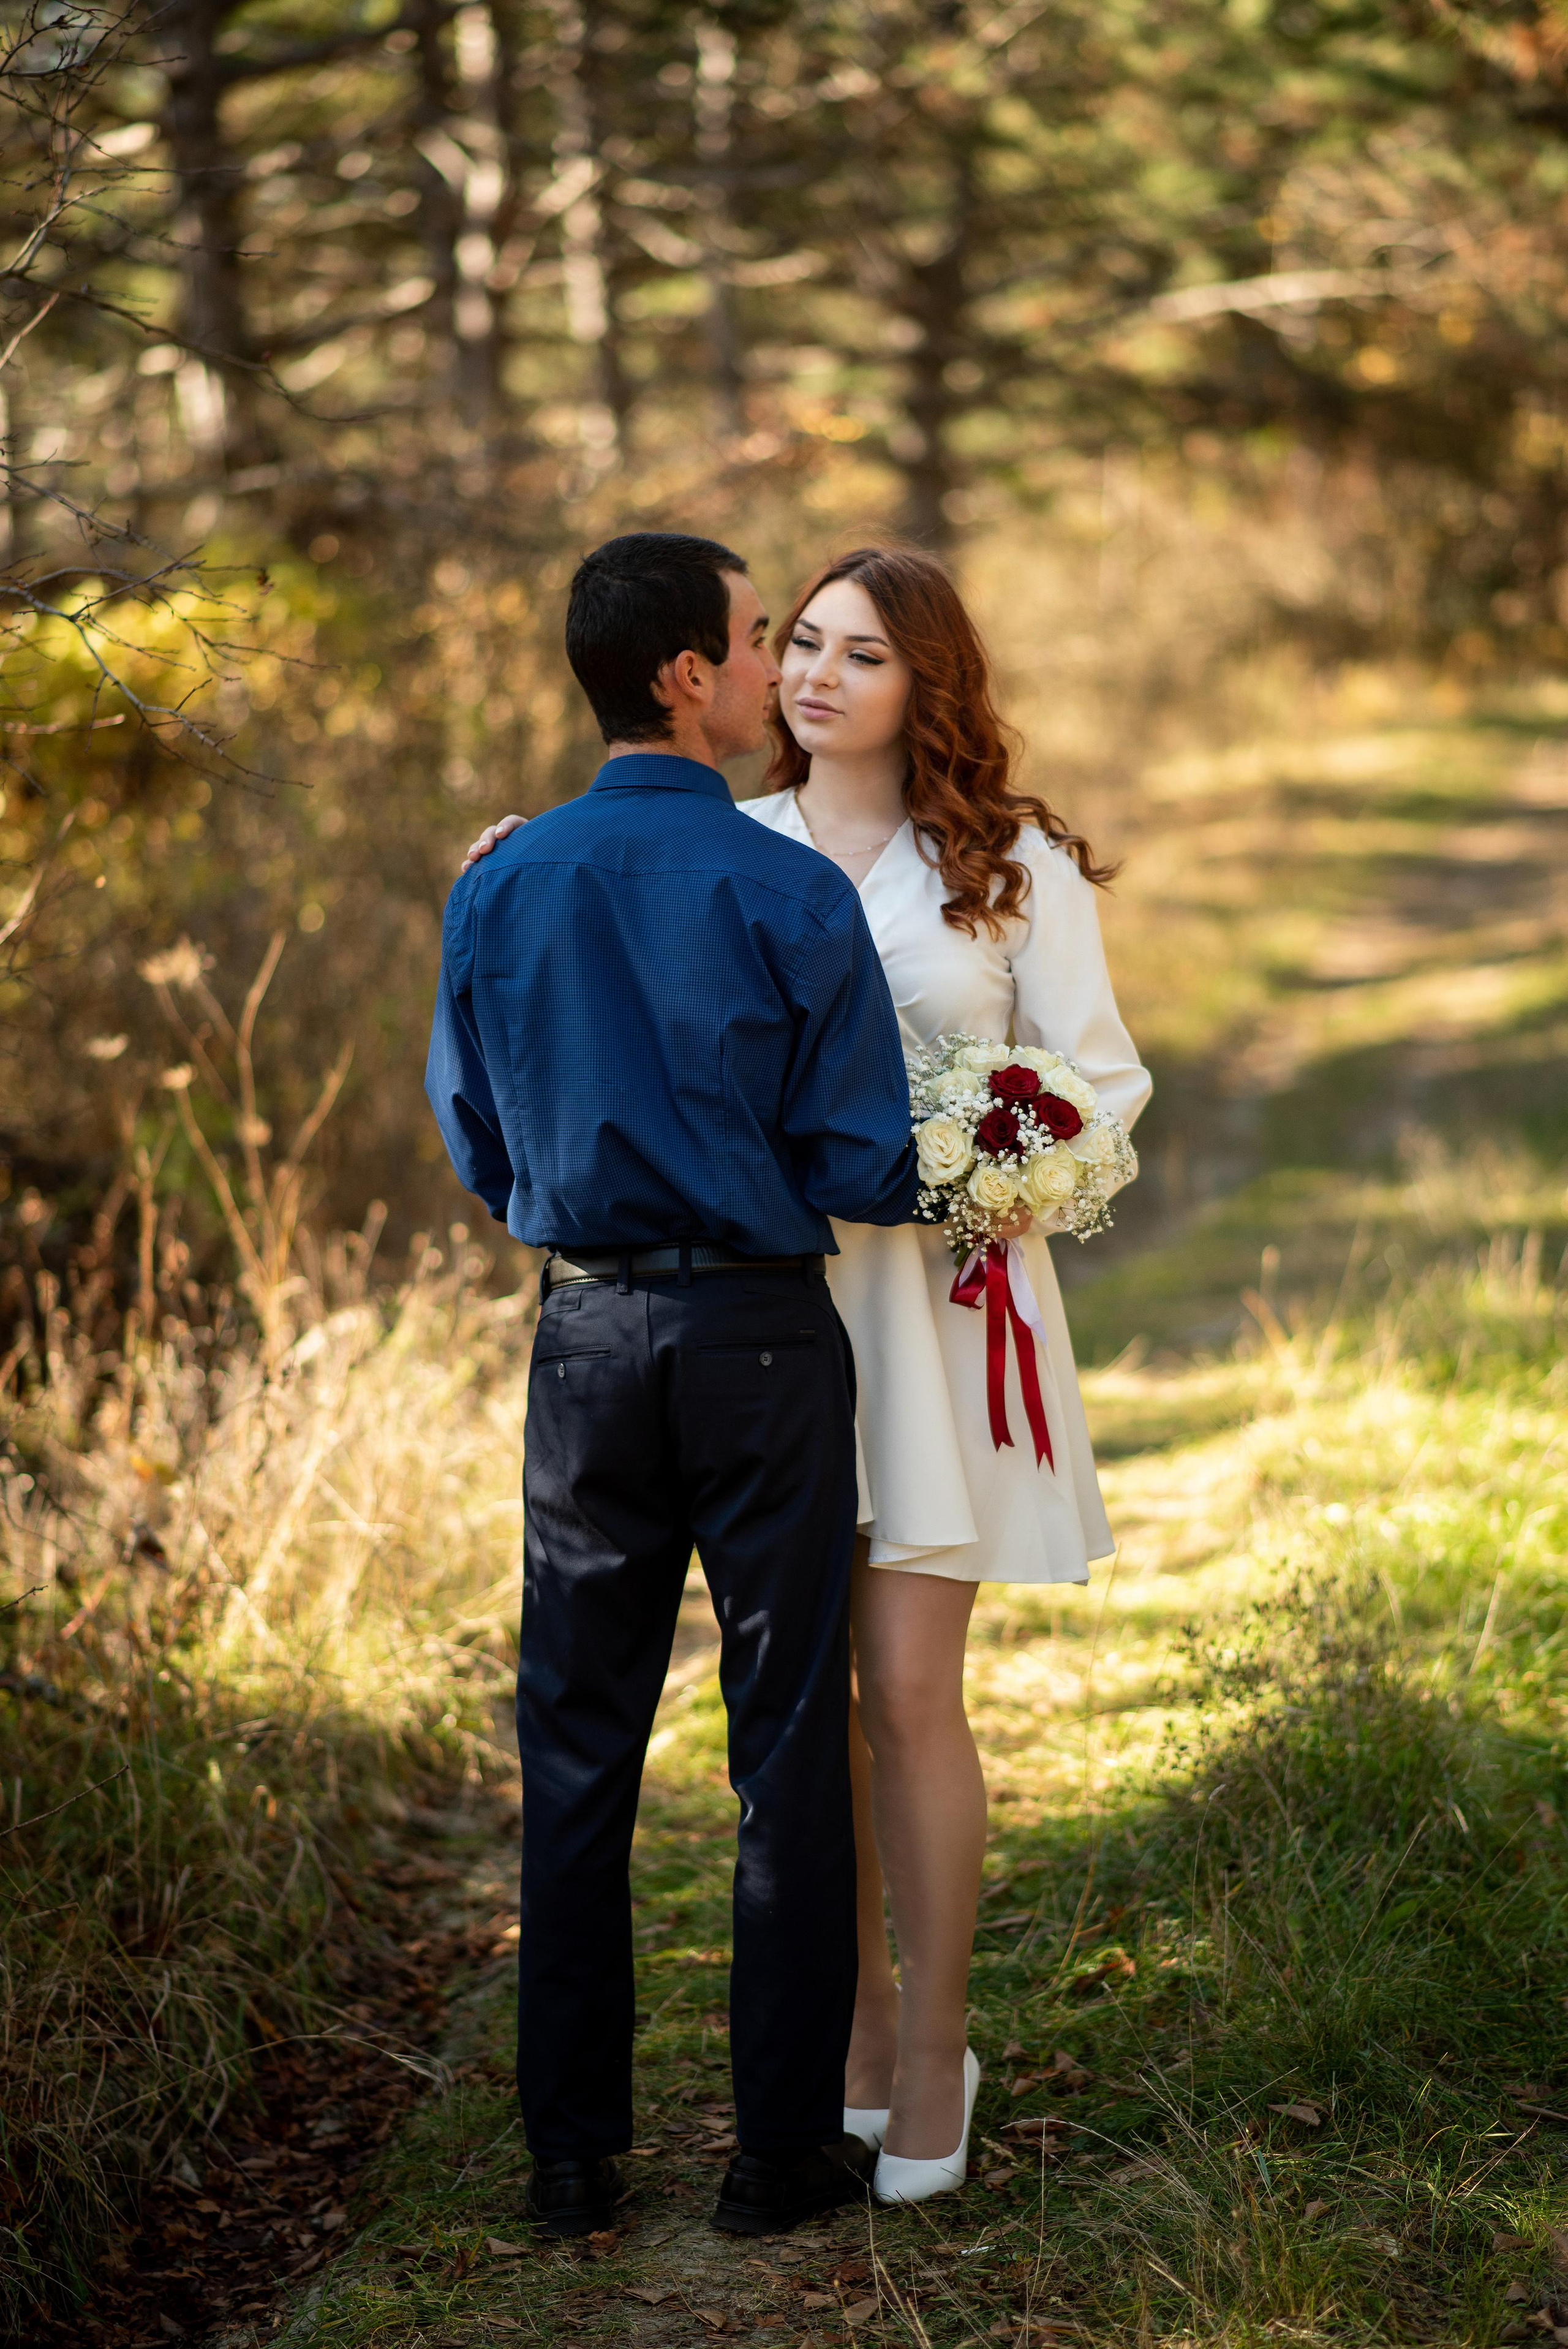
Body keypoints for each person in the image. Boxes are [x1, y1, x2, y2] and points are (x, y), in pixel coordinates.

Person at [461, 543, 1152, 2208]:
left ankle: (929, 2054)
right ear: (729, 678)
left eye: (863, 651)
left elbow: (1101, 1085)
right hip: (772, 1315)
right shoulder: (740, 846)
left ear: (932, 682)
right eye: (805, 643)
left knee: (902, 1695)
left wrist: (1002, 1163)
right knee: (795, 1722)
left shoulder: (1013, 864)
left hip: (931, 1313)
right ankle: (837, 2045)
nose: (825, 673)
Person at [426, 532, 921, 2241]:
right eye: (752, 634)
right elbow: (860, 1152)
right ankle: (776, 2154)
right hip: (765, 1345)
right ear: (684, 678)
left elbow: (483, 1144)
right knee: (786, 1747)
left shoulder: (497, 882)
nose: (775, 657)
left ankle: (574, 2157)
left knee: (574, 1749)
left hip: (584, 1346)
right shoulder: (793, 894)